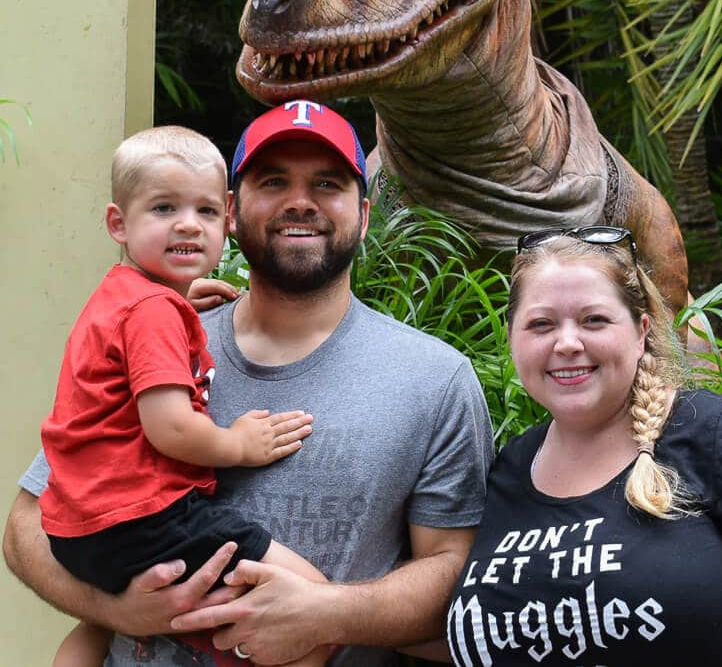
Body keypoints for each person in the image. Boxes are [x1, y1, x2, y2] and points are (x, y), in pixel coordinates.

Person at [4, 100, 494, 667]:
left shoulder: (434, 379)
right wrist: (118, 612)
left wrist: (325, 614)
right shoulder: (159, 335)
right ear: (233, 212)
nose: (300, 202)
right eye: (274, 180)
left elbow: (454, 573)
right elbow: (28, 527)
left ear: (363, 214)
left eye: (327, 183)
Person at [37, 125, 324, 667]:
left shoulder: (127, 297)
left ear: (228, 217)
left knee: (99, 623)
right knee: (311, 611)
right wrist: (241, 444)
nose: (188, 224)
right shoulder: (153, 312)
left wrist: (180, 304)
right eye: (164, 208)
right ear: (118, 223)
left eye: (206, 212)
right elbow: (168, 427)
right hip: (145, 518)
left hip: (82, 527)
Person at [447, 225, 722, 665]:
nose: (568, 343)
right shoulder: (508, 469)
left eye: (594, 320)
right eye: (541, 324)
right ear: (512, 338)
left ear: (640, 332)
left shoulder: (714, 434)